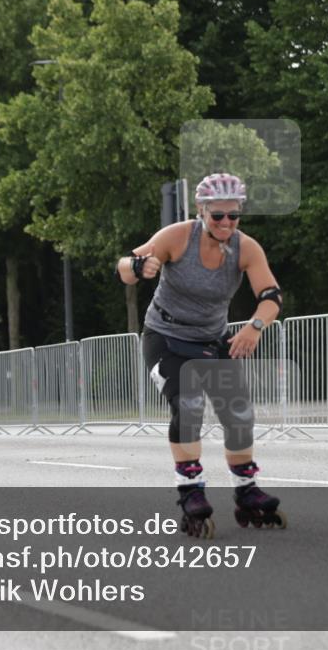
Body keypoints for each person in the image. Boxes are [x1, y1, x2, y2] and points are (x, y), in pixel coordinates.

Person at [115, 173, 286, 538]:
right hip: (166, 337)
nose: (226, 224)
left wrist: (254, 326)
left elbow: (271, 297)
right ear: (201, 211)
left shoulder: (246, 248)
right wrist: (139, 266)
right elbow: (124, 266)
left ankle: (246, 490)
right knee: (188, 403)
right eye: (217, 216)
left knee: (238, 411)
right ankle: (191, 489)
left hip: (211, 340)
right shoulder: (178, 237)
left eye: (233, 216)